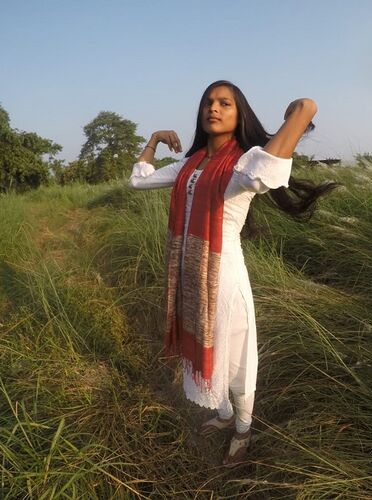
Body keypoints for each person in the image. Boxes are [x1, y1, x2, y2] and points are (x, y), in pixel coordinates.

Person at [127, 80, 337, 466]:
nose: (214, 108)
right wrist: (154, 139)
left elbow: (268, 170)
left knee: (236, 359)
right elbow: (138, 179)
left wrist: (305, 109)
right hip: (190, 276)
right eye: (209, 101)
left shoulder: (243, 163)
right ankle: (223, 415)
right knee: (211, 351)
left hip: (224, 281)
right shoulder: (190, 165)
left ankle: (243, 427)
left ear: (239, 114)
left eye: (225, 103)